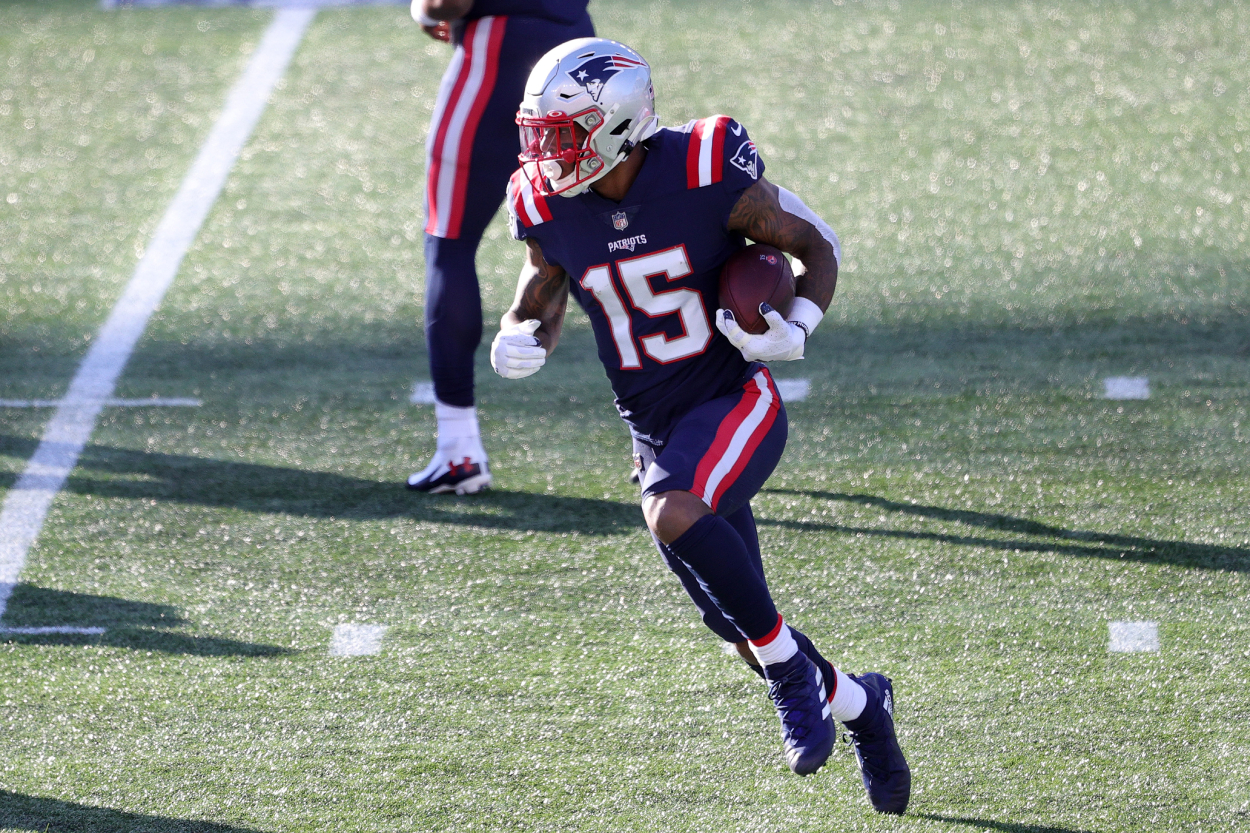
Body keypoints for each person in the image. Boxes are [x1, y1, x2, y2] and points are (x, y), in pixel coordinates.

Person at [492, 38, 912, 812]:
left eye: (562, 134)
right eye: (539, 135)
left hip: (732, 400)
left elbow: (815, 245)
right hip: (653, 429)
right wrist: (523, 329)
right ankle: (862, 705)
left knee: (673, 510)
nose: (546, 154)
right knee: (737, 625)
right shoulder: (545, 201)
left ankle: (795, 676)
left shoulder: (707, 166)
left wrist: (800, 324)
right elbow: (546, 282)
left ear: (616, 123)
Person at [405, 0, 595, 494]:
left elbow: (450, 2)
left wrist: (426, 12)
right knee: (595, 244)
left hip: (496, 50)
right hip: (574, 55)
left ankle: (458, 450)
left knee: (449, 242)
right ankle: (680, 419)